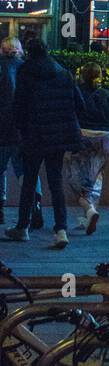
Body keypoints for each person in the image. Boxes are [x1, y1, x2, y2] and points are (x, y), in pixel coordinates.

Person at [5, 40, 85, 249]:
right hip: (58, 138)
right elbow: (80, 104)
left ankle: (23, 227)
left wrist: (21, 130)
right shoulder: (63, 73)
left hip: (33, 135)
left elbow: (18, 107)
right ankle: (61, 229)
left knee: (29, 181)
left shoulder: (25, 73)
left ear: (29, 53)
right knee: (55, 181)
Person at [66, 63, 109, 235]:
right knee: (96, 175)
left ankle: (88, 210)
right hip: (104, 139)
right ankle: (89, 214)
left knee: (74, 177)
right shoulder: (107, 95)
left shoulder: (76, 93)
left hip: (81, 137)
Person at [0, 38, 25, 228]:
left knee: (0, 169)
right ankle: (35, 206)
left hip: (2, 128)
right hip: (23, 129)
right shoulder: (26, 69)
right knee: (25, 171)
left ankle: (0, 207)